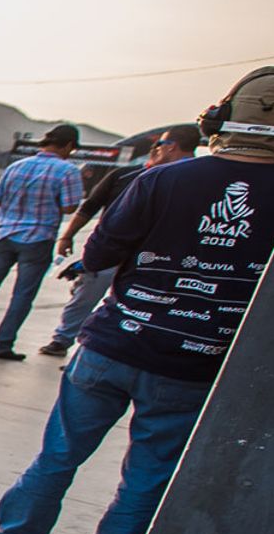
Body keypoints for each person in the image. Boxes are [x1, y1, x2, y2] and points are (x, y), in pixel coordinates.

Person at [0, 68, 274, 534]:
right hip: (196, 360)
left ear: (217, 120)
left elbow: (101, 255)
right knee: (149, 472)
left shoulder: (162, 180)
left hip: (113, 346)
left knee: (60, 453)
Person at [41, 123, 199, 359]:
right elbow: (89, 207)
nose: (155, 149)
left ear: (171, 147)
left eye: (160, 144)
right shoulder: (126, 175)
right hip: (113, 253)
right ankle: (64, 340)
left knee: (133, 308)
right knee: (85, 297)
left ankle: (103, 353)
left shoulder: (192, 182)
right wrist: (69, 236)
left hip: (152, 260)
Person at [0, 124, 83, 359]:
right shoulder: (67, 171)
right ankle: (2, 344)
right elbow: (70, 206)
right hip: (38, 239)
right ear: (68, 146)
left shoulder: (16, 166)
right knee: (22, 295)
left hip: (5, 236)